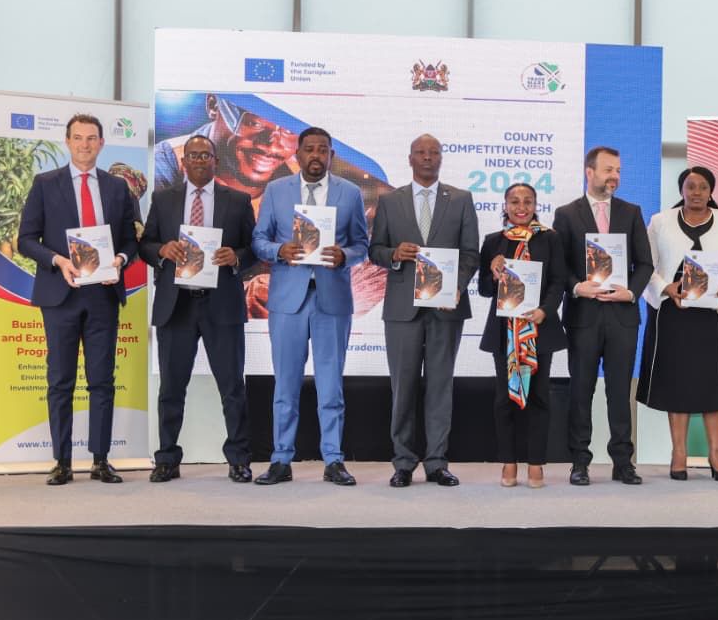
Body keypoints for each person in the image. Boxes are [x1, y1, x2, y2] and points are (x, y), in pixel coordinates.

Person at [17, 113, 139, 486]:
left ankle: (100, 460)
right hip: (61, 294)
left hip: (103, 295)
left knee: (102, 381)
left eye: (91, 138)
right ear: (67, 141)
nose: (85, 144)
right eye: (78, 138)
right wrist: (58, 261)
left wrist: (121, 259)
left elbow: (130, 240)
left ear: (102, 143)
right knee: (60, 381)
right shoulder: (45, 184)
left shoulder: (117, 188)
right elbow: (26, 240)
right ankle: (62, 462)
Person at [250, 127, 369, 486]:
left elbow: (362, 245)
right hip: (288, 299)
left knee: (330, 385)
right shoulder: (276, 190)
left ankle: (333, 459)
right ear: (297, 154)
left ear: (331, 155)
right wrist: (278, 250)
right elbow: (258, 240)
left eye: (323, 150)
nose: (316, 155)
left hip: (332, 299)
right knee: (285, 384)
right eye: (309, 149)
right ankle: (280, 459)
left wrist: (345, 255)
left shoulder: (350, 193)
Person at [139, 134, 257, 484]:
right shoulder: (163, 200)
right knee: (171, 389)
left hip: (222, 305)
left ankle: (238, 459)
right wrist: (162, 251)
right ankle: (167, 458)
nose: (200, 160)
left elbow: (254, 249)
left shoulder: (238, 200)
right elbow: (145, 244)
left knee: (232, 388)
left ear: (215, 160)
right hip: (176, 306)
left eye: (206, 155)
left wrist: (237, 256)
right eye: (193, 155)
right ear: (184, 161)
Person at [369, 134, 479, 487]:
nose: (428, 157)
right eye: (421, 152)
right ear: (410, 158)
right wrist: (393, 254)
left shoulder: (461, 199)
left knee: (440, 387)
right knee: (402, 388)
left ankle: (436, 463)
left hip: (446, 307)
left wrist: (457, 285)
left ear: (441, 158)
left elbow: (471, 253)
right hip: (402, 309)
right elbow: (375, 250)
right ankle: (402, 462)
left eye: (434, 152)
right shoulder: (390, 201)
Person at [637, 166, 718, 482]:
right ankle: (679, 454)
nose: (696, 192)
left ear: (711, 191)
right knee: (678, 383)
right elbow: (646, 265)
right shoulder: (660, 222)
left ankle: (716, 454)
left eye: (702, 187)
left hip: (715, 315)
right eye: (690, 186)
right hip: (675, 313)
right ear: (681, 190)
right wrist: (665, 288)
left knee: (714, 385)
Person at [553, 146, 654, 486]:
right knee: (581, 391)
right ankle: (579, 462)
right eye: (609, 170)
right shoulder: (567, 214)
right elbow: (559, 266)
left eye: (619, 171)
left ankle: (623, 463)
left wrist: (632, 292)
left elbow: (645, 263)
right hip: (583, 316)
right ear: (590, 172)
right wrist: (575, 287)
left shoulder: (631, 212)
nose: (615, 176)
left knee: (619, 392)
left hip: (622, 316)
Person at [478, 183, 568, 489]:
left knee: (539, 397)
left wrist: (545, 310)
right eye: (514, 201)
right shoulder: (493, 241)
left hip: (539, 329)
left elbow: (558, 282)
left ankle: (536, 462)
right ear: (504, 206)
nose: (521, 207)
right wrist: (493, 273)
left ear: (535, 205)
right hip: (504, 332)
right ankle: (509, 461)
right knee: (504, 399)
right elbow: (484, 289)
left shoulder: (550, 238)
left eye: (527, 201)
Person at [154, 95, 297, 198]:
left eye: (289, 131)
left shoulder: (299, 171)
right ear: (213, 105)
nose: (272, 147)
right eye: (254, 123)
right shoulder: (164, 165)